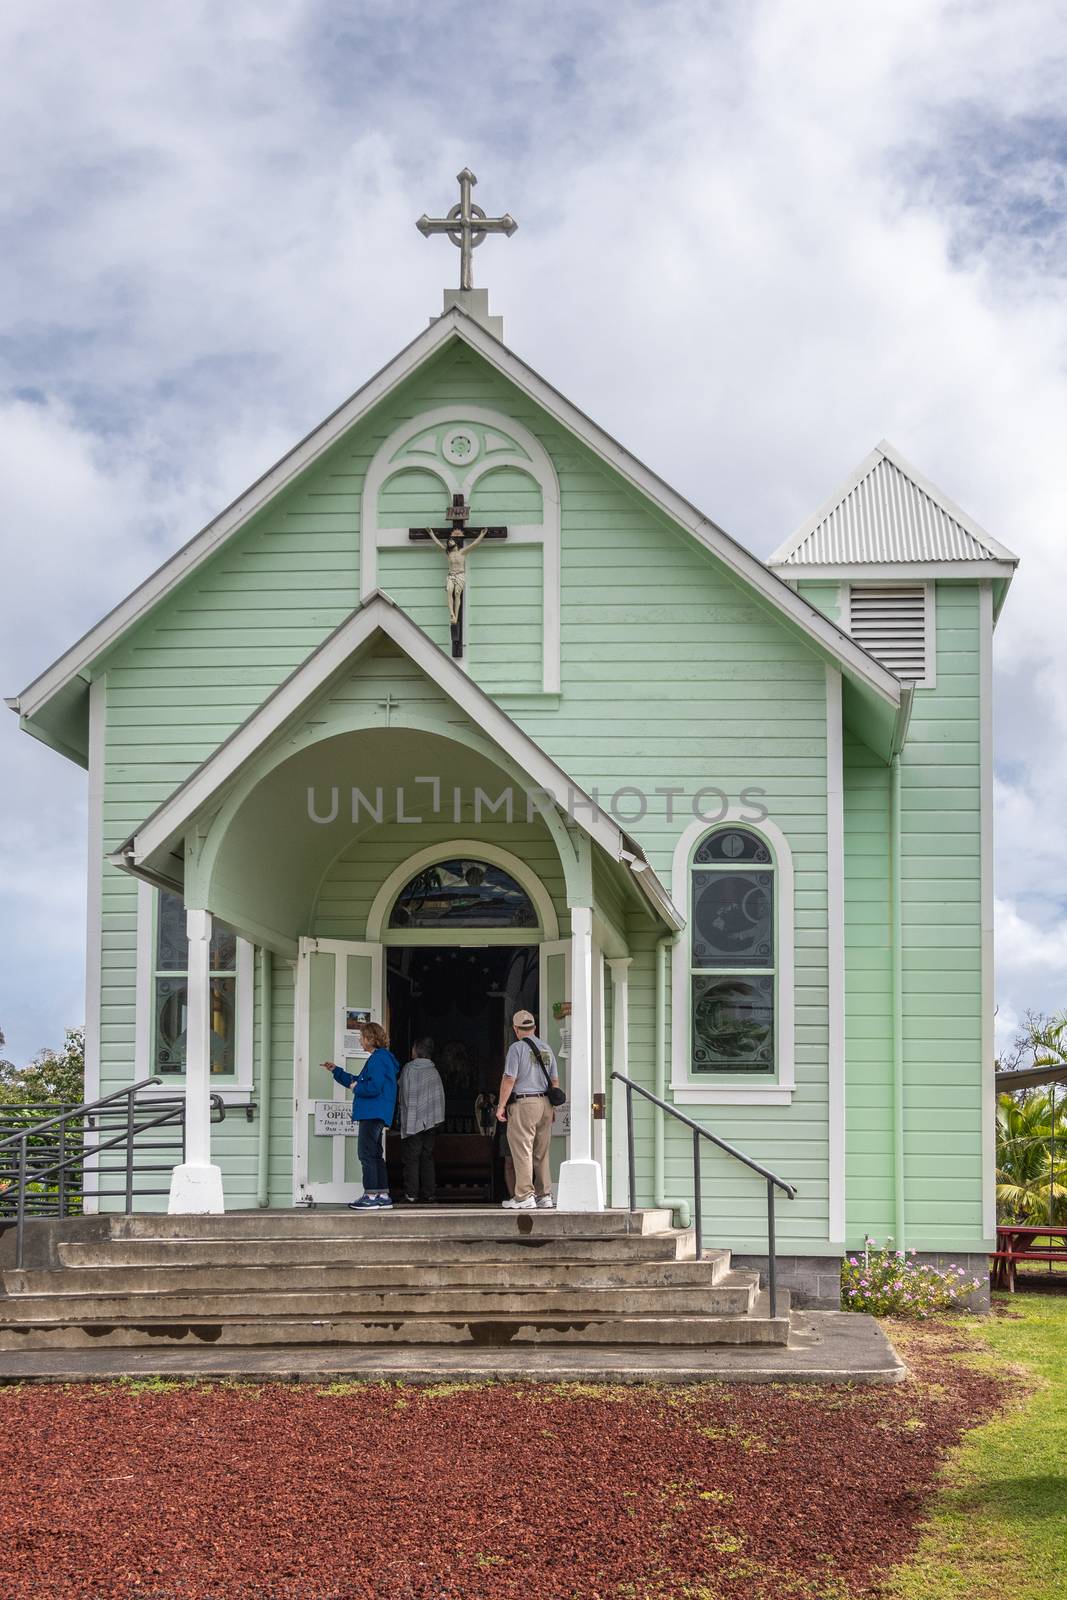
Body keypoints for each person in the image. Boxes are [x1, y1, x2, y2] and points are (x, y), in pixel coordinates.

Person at [321, 1021, 399, 1210]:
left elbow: (373, 1086)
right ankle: (382, 1194)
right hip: (377, 1112)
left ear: (370, 1038)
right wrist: (336, 1071)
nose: (360, 1041)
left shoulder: (378, 1059)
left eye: (362, 1037)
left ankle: (370, 1195)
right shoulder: (382, 1058)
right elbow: (360, 1080)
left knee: (366, 1154)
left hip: (372, 1112)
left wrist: (357, 1088)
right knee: (375, 1154)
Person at [496, 1009, 559, 1211]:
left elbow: (509, 1079)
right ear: (534, 1027)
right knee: (541, 1152)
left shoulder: (517, 1048)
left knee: (523, 1150)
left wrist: (501, 1106)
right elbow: (555, 1081)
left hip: (524, 1103)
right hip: (545, 1104)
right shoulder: (547, 1048)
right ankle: (544, 1195)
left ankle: (524, 1195)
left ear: (515, 1029)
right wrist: (552, 1106)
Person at [398, 1036, 445, 1204]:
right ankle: (430, 1193)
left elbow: (403, 1093)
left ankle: (411, 1194)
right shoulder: (434, 1071)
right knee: (427, 1156)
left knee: (412, 1157)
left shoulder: (410, 1069)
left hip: (414, 1119)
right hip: (431, 1121)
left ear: (417, 1050)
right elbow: (438, 1097)